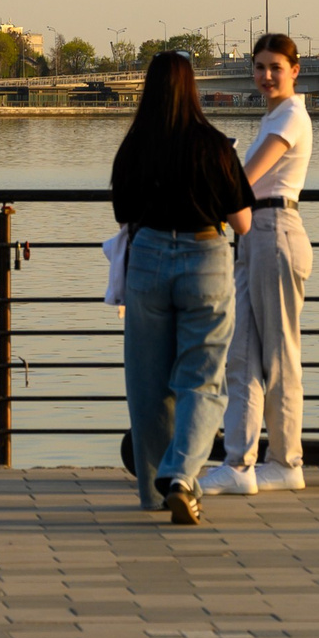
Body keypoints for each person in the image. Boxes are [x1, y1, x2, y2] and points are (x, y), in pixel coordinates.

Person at [110, 49, 253, 525]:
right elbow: (243, 222)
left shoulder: (134, 146)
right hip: (206, 257)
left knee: (147, 384)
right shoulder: (214, 145)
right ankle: (180, 476)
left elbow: (124, 214)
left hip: (148, 259)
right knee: (203, 379)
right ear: (193, 88)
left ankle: (154, 493)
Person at [203, 33, 314, 495]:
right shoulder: (273, 115)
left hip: (276, 233)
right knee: (242, 356)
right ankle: (238, 465)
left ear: (294, 70)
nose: (267, 76)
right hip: (255, 236)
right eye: (259, 67)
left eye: (275, 67)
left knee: (278, 354)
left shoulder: (291, 116)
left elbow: (244, 180)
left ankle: (287, 462)